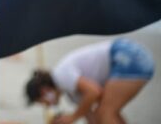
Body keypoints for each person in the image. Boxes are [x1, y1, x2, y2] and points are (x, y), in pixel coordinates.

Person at [25, 38, 155, 124]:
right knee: (108, 112)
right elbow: (93, 120)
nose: (47, 106)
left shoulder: (60, 75)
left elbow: (94, 91)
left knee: (105, 112)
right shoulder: (71, 92)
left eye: (43, 102)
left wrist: (73, 117)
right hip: (130, 56)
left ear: (44, 91)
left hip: (126, 55)